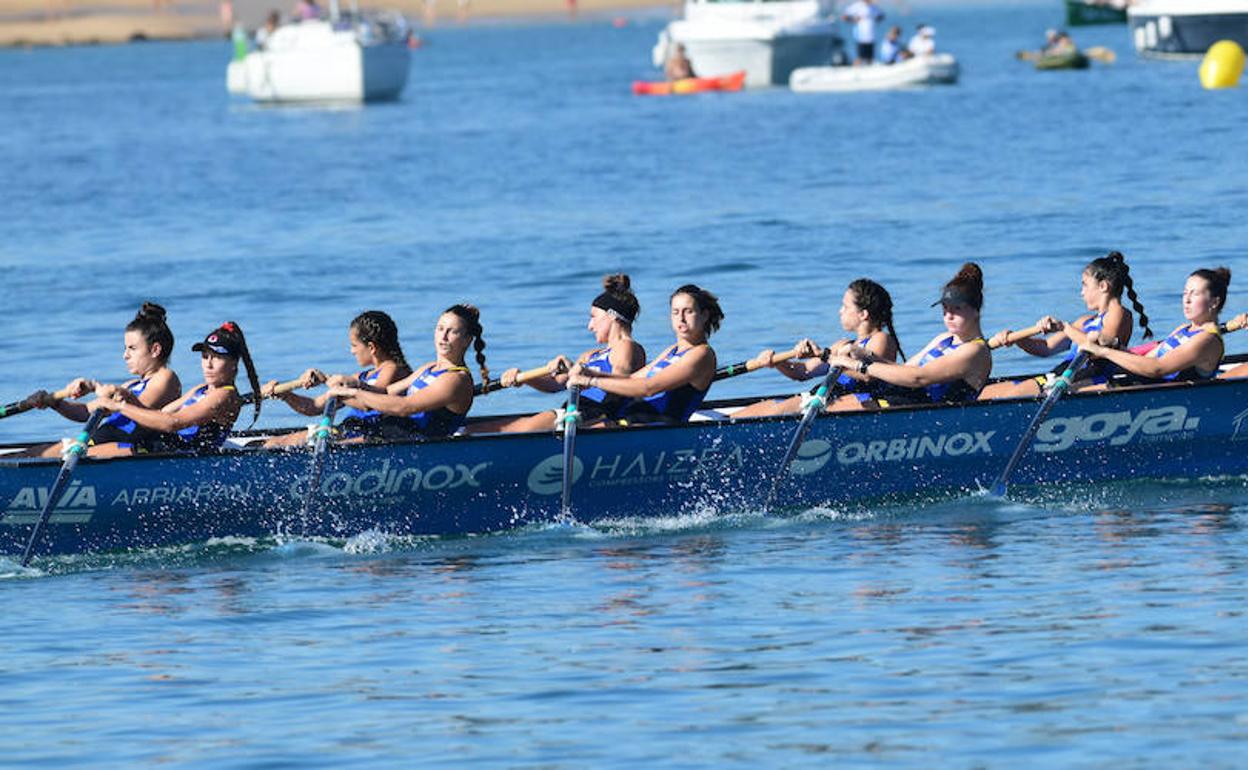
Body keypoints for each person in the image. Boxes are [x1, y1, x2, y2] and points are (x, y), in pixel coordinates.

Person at [468, 275, 646, 434]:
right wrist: (524, 378)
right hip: (575, 413)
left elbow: (622, 380)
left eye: (593, 316)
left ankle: (461, 436)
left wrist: (585, 376)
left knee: (516, 428)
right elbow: (556, 385)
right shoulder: (591, 354)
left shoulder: (627, 347)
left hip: (597, 417)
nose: (590, 326)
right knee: (517, 425)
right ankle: (463, 433)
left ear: (612, 315)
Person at [16, 303, 182, 458]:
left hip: (131, 451)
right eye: (125, 348)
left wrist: (103, 390)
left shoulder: (166, 377)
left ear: (155, 350)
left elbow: (141, 408)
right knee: (27, 455)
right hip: (95, 446)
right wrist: (55, 402)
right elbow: (85, 412)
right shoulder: (130, 385)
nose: (125, 355)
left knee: (45, 453)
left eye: (132, 348)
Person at [981, 251, 1153, 398]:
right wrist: (1019, 339)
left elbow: (1099, 344)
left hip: (1091, 375)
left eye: (1085, 285)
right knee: (986, 393)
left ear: (1103, 286)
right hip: (1065, 372)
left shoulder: (1119, 313)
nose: (1081, 292)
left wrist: (1064, 327)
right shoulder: (1084, 321)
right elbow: (1046, 348)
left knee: (1013, 395)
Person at [823, 263, 993, 410]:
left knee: (852, 403)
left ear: (976, 311)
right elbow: (905, 370)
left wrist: (854, 364)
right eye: (945, 308)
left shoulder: (975, 351)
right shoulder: (943, 339)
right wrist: (866, 355)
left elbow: (918, 377)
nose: (948, 315)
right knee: (844, 398)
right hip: (908, 403)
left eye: (957, 309)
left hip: (933, 417)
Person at [83, 322, 261, 457]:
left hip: (185, 457)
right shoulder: (201, 389)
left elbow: (172, 423)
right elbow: (160, 414)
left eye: (216, 358)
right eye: (205, 356)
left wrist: (120, 408)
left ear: (233, 364)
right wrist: (127, 398)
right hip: (163, 446)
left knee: (94, 451)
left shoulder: (225, 396)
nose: (208, 365)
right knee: (98, 445)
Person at [733, 279, 903, 418]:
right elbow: (802, 372)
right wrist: (777, 362)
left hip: (856, 402)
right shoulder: (841, 344)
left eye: (845, 306)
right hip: (825, 397)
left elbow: (868, 376)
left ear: (863, 314)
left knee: (777, 411)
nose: (840, 311)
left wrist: (825, 356)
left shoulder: (881, 339)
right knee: (747, 413)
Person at [322, 305, 486, 441]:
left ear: (467, 340)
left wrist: (353, 393)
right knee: (353, 427)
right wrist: (352, 384)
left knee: (356, 436)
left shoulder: (456, 379)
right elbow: (386, 391)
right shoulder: (428, 368)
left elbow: (406, 406)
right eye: (440, 328)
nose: (443, 337)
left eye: (452, 332)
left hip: (420, 445)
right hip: (398, 434)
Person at [567, 285, 722, 425]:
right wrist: (590, 373)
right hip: (630, 422)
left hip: (658, 431)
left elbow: (648, 387)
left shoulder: (702, 354)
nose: (681, 318)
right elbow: (632, 379)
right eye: (675, 312)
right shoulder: (672, 350)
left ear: (704, 315)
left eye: (688, 311)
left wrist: (591, 381)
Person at [262, 311, 411, 447]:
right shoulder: (361, 377)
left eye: (354, 345)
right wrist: (287, 396)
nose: (352, 351)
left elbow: (372, 401)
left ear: (371, 347)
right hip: (350, 430)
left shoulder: (393, 369)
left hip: (375, 436)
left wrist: (328, 381)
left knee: (278, 444)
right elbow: (313, 407)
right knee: (275, 442)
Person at [1078, 268, 1231, 387]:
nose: (1187, 300)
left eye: (1195, 294)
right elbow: (1145, 360)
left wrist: (1104, 352)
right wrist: (1114, 345)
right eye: (1185, 293)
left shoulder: (1208, 340)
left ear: (1214, 302)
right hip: (1140, 388)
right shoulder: (1183, 329)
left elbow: (1158, 368)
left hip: (1166, 400)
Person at [842, 0, 885, 66]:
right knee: (860, 58)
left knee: (870, 59)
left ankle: (868, 73)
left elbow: (881, 16)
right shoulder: (857, 6)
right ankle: (855, 72)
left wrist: (875, 19)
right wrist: (853, 19)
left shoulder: (873, 7)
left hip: (871, 37)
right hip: (860, 37)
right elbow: (844, 17)